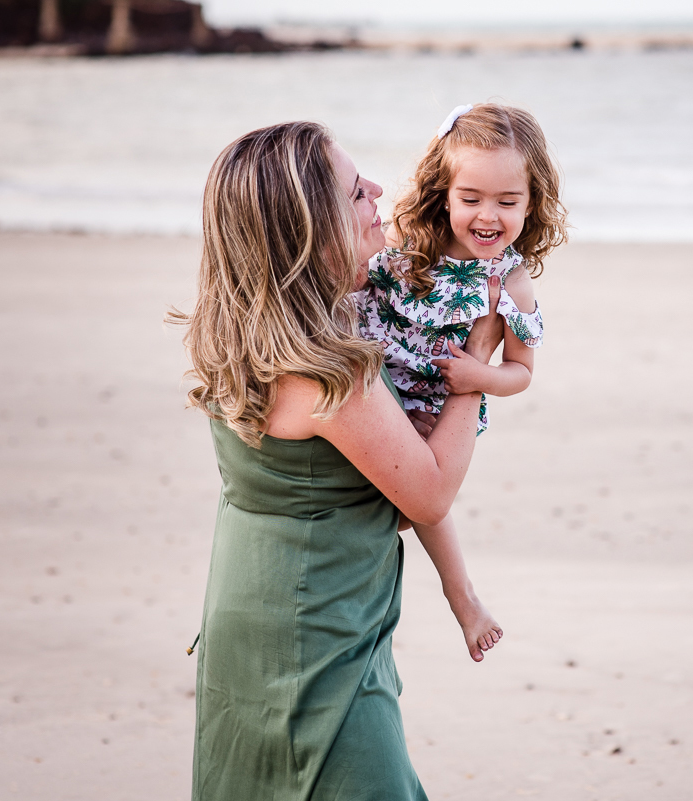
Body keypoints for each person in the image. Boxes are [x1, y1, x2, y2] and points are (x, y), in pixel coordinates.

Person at [170, 121, 503, 800]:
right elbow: (430, 493)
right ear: (311, 227)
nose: (378, 191)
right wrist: (478, 358)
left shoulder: (251, 334)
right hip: (314, 641)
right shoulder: (332, 376)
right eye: (356, 192)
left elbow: (333, 496)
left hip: (253, 613)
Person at [358, 102, 567, 662]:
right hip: (372, 375)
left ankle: (462, 596)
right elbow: (362, 287)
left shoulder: (512, 283)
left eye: (507, 201)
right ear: (443, 194)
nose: (487, 217)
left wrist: (480, 376)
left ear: (533, 201)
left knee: (422, 504)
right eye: (470, 199)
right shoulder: (406, 239)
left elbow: (521, 373)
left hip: (435, 402)